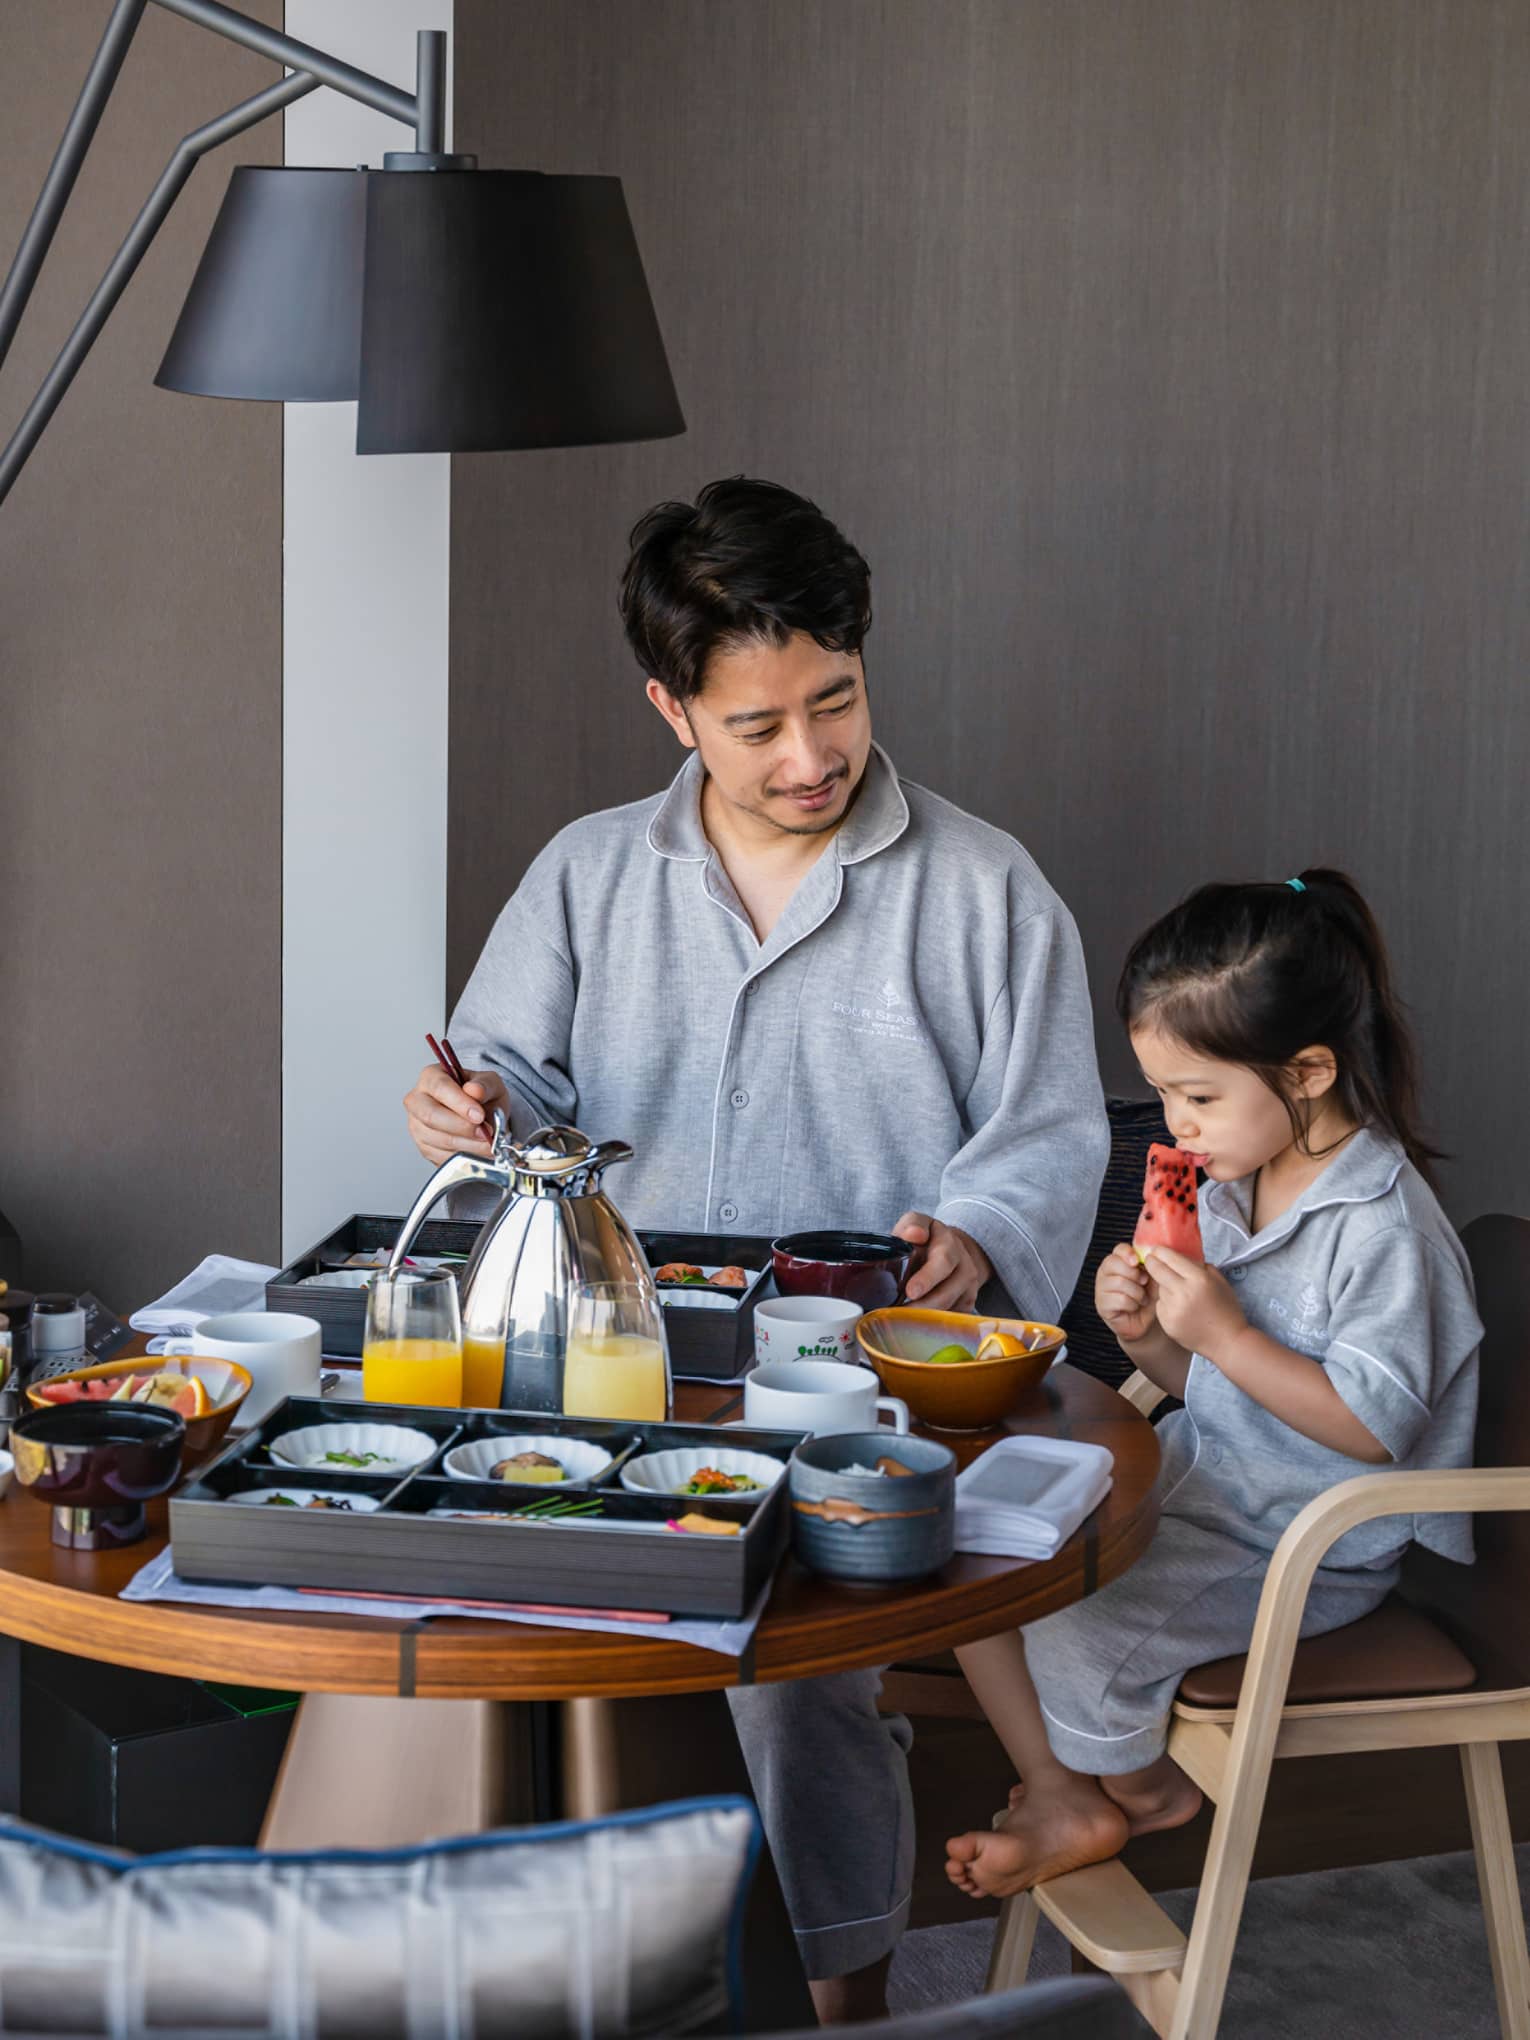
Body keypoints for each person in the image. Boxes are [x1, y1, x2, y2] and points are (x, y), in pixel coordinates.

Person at [404, 476, 1109, 2017]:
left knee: (796, 1688)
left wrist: (977, 1233)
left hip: (857, 1383)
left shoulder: (985, 890)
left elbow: (1052, 1134)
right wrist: (468, 1107)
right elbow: (512, 1074)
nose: (809, 756)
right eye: (755, 724)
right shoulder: (588, 872)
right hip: (614, 1359)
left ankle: (839, 1991)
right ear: (673, 710)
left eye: (834, 702)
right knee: (507, 1639)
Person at [944, 870, 1481, 1899]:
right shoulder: (1239, 1178)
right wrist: (1147, 1336)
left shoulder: (1385, 1228)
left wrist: (1227, 1335)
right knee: (969, 1563)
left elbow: (1373, 1428)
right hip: (1211, 1492)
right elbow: (1206, 1388)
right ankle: (1064, 1788)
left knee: (1076, 1623)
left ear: (1309, 1071)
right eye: (1164, 1095)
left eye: (1198, 1097)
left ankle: (1144, 1796)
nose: (1174, 1127)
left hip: (1309, 1547)